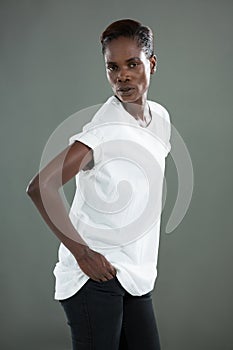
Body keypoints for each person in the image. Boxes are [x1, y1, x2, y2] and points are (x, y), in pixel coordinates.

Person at [26, 18, 171, 350]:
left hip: (135, 276)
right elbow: (40, 187)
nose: (122, 75)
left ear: (151, 64)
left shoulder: (160, 119)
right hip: (95, 280)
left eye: (132, 63)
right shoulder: (103, 131)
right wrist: (83, 255)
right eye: (112, 67)